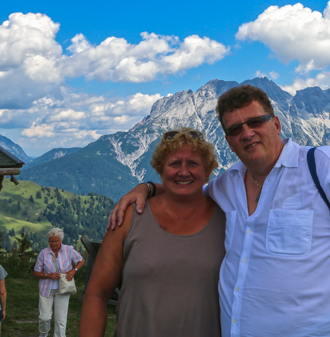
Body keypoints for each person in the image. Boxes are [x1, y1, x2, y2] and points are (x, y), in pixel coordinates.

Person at [109, 84, 330, 337]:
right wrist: (146, 188)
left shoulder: (325, 166)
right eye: (235, 129)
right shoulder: (227, 184)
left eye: (255, 122)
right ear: (229, 140)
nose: (246, 133)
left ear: (277, 124)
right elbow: (186, 188)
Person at [80, 128, 225, 337]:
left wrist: (147, 187)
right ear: (160, 170)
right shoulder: (129, 217)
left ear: (208, 170)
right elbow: (96, 294)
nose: (183, 172)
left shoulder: (228, 218)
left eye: (193, 163)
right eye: (174, 164)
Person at [32, 227, 84, 337]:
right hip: (46, 289)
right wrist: (48, 275)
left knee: (61, 319)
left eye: (56, 241)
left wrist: (74, 270)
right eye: (51, 241)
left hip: (64, 289)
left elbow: (80, 260)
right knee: (44, 318)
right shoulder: (43, 253)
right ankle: (43, 334)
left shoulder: (68, 250)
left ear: (61, 240)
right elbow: (36, 272)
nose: (53, 243)